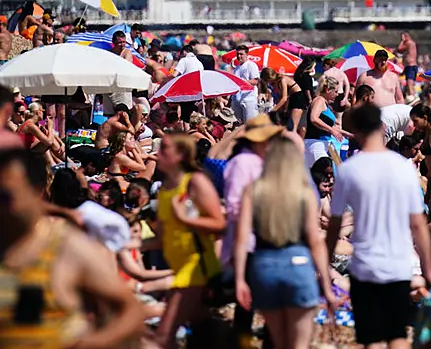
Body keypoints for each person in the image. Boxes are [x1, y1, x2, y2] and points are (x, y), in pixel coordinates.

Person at [0, 148, 145, 347]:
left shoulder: (65, 245)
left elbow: (130, 310)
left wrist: (94, 342)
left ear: (37, 192)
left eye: (6, 195)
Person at [325, 103, 431, 348]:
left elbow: (335, 226)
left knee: (372, 338)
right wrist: (428, 269)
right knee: (397, 334)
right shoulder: (403, 167)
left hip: (365, 265)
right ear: (383, 127)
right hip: (397, 264)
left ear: (356, 132)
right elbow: (418, 224)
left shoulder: (349, 170)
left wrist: (325, 265)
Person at [234, 136, 336, 349]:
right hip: (298, 264)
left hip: (264, 266)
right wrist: (326, 287)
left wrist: (240, 279)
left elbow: (242, 237)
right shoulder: (304, 192)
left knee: (278, 342)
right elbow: (315, 241)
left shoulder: (253, 190)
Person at [151, 134, 226, 348]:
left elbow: (220, 224)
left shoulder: (195, 182)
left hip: (196, 269)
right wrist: (131, 244)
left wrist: (184, 218)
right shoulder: (166, 188)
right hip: (179, 267)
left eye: (165, 149)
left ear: (181, 155)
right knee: (202, 332)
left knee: (164, 335)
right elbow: (163, 238)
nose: (158, 153)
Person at [305, 77, 349, 167]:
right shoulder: (319, 100)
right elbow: (313, 118)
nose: (337, 95)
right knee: (324, 173)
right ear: (328, 90)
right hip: (316, 143)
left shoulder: (325, 104)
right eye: (336, 92)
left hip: (320, 144)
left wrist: (350, 135)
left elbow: (331, 127)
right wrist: (331, 131)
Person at [232, 45, 261, 123]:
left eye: (241, 54)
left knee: (250, 125)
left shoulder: (251, 65)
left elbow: (256, 81)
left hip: (249, 99)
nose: (239, 56)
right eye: (237, 54)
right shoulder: (236, 68)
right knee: (239, 124)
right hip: (237, 99)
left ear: (247, 55)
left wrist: (243, 81)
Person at [288, 58, 316, 133]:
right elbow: (307, 89)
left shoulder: (298, 74)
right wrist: (310, 99)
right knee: (301, 124)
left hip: (295, 97)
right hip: (303, 100)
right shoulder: (306, 76)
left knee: (294, 122)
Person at [397, 32, 419, 97]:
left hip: (411, 66)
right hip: (409, 66)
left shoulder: (409, 43)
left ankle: (412, 99)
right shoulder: (411, 43)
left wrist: (402, 41)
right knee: (408, 85)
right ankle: (409, 97)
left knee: (409, 84)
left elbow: (399, 49)